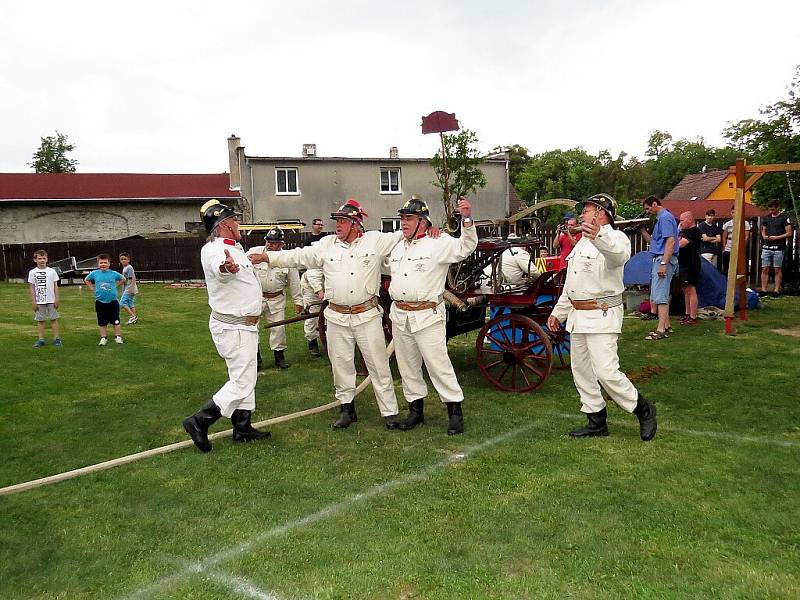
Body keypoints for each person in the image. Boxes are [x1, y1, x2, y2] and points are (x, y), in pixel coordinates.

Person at [261, 199, 405, 430]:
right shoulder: (326, 244)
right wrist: (269, 257)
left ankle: (390, 413)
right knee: (341, 365)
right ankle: (347, 409)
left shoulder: (375, 241)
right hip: (336, 317)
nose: (338, 225)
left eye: (343, 221)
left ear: (356, 224)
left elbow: (405, 234)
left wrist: (433, 229)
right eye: (337, 221)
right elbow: (298, 256)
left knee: (378, 365)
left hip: (367, 316)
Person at [547, 193, 657, 441]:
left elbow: (618, 256)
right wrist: (559, 312)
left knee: (606, 371)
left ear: (600, 212)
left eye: (585, 210)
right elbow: (573, 284)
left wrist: (599, 235)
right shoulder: (582, 243)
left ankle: (643, 409)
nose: (581, 215)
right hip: (578, 316)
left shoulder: (616, 238)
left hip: (602, 314)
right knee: (582, 371)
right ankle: (596, 420)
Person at [182, 199, 271, 452]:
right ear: (224, 225)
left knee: (245, 377)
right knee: (242, 381)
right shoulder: (215, 250)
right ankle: (199, 421)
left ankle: (242, 428)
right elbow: (219, 267)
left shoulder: (235, 247)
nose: (239, 223)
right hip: (234, 328)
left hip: (244, 327)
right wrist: (226, 267)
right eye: (235, 220)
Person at [387, 196, 478, 435]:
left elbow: (466, 247)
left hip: (427, 316)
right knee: (407, 366)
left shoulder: (439, 242)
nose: (403, 222)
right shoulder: (397, 245)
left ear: (423, 221)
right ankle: (415, 411)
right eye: (402, 218)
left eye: (409, 218)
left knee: (438, 365)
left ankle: (454, 412)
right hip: (400, 315)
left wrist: (466, 218)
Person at [247, 228, 303, 370]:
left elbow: (294, 282)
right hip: (256, 298)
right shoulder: (254, 252)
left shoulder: (286, 258)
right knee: (252, 327)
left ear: (281, 244)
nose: (270, 245)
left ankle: (279, 358)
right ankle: (256, 359)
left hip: (277, 298)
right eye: (268, 242)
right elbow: (243, 270)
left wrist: (298, 301)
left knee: (278, 329)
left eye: (274, 243)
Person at [640, 195, 678, 340]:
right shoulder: (660, 219)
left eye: (648, 208)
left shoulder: (665, 218)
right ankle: (667, 326)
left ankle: (661, 330)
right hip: (659, 257)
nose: (647, 211)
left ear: (655, 204)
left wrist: (663, 263)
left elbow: (671, 242)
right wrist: (642, 230)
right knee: (658, 294)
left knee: (661, 296)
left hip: (664, 260)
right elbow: (655, 243)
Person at [301, 217, 329, 357]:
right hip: (310, 287)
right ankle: (312, 343)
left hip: (324, 284)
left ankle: (328, 340)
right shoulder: (314, 260)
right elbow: (313, 275)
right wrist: (319, 291)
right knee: (312, 316)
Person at [84, 254, 126, 345]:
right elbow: (86, 280)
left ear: (109, 263)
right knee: (102, 321)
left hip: (113, 302)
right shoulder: (95, 274)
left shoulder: (113, 273)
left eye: (105, 263)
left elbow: (123, 279)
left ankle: (118, 336)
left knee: (116, 320)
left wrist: (115, 285)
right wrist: (92, 288)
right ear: (98, 264)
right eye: (101, 263)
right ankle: (104, 337)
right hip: (100, 302)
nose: (103, 264)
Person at [28, 249, 62, 348]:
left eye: (44, 258)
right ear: (35, 260)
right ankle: (41, 339)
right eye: (40, 258)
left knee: (54, 319)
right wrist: (34, 301)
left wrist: (57, 299)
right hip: (39, 301)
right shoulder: (32, 272)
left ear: (47, 259)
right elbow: (32, 287)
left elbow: (56, 286)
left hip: (51, 300)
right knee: (41, 320)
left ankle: (56, 339)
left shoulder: (52, 271)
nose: (42, 260)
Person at [759, 199, 793, 297]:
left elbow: (789, 233)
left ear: (778, 207)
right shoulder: (767, 218)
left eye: (773, 209)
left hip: (779, 247)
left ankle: (776, 290)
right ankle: (764, 290)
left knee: (777, 269)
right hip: (766, 246)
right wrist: (764, 235)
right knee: (765, 268)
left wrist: (776, 237)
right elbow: (763, 230)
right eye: (770, 210)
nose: (771, 211)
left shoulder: (784, 218)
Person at [677, 211, 701, 325]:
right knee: (685, 290)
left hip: (691, 264)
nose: (680, 223)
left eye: (682, 220)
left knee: (691, 289)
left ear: (689, 220)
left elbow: (681, 244)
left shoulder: (694, 231)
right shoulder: (684, 231)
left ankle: (693, 316)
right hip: (683, 264)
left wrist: (672, 243)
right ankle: (687, 313)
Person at [721, 206, 751, 276]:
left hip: (739, 248)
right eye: (732, 213)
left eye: (735, 212)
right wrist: (724, 248)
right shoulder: (727, 224)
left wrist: (742, 247)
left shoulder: (745, 223)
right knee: (726, 267)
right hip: (729, 248)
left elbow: (746, 236)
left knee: (739, 268)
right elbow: (724, 237)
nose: (734, 214)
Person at [119, 252, 139, 324]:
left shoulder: (129, 267)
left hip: (130, 288)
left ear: (128, 260)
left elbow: (132, 278)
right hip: (127, 288)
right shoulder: (125, 268)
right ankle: (134, 318)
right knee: (130, 303)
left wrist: (129, 289)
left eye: (125, 259)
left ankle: (133, 316)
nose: (123, 260)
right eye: (122, 259)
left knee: (122, 303)